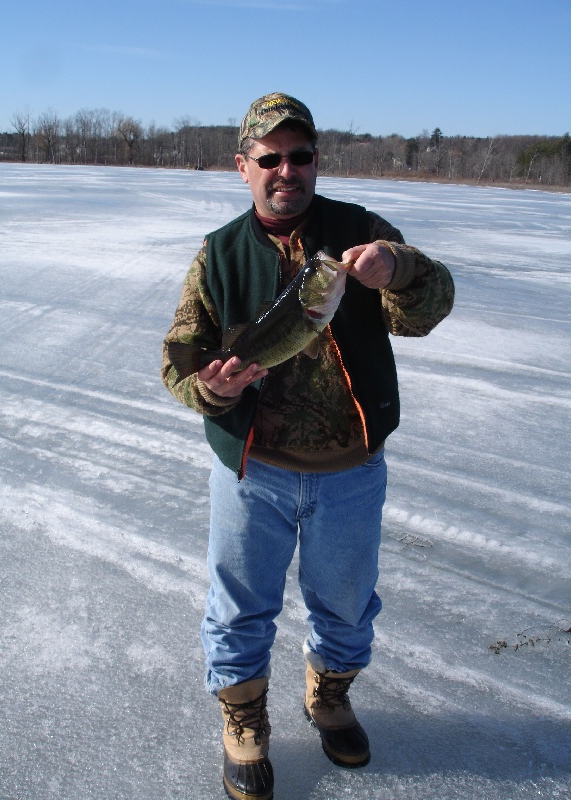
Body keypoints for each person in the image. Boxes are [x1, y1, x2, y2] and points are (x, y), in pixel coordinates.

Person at [161, 92, 454, 800]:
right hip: (250, 468)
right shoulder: (220, 252)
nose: (286, 169)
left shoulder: (358, 234)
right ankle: (243, 720)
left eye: (301, 156)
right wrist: (212, 390)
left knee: (347, 604)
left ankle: (328, 697)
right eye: (270, 158)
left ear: (316, 161)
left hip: (350, 471)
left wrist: (402, 271)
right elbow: (179, 356)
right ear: (244, 166)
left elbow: (429, 307)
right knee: (238, 605)